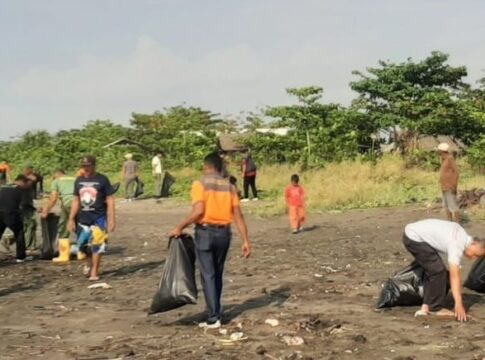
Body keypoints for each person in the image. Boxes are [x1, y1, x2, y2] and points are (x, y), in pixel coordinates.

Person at [170, 152, 251, 329]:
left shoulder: (200, 184)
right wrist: (246, 241)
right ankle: (216, 310)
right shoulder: (229, 186)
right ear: (220, 167)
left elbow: (199, 211)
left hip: (206, 233)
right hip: (224, 234)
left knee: (208, 274)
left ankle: (213, 317)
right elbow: (238, 215)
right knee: (217, 273)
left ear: (205, 167)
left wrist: (180, 226)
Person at [403, 219, 485, 322]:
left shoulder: (462, 235)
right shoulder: (457, 244)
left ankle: (426, 307)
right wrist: (458, 304)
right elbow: (455, 275)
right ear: (473, 243)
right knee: (438, 271)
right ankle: (435, 308)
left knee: (436, 271)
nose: (473, 258)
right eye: (475, 255)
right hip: (413, 237)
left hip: (415, 233)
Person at [68, 155, 116, 281]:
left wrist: (112, 218)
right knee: (81, 245)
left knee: (98, 245)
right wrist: (71, 219)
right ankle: (89, 263)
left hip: (99, 218)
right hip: (83, 219)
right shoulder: (78, 180)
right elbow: (76, 200)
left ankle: (94, 271)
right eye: (83, 166)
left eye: (88, 166)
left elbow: (110, 199)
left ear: (94, 165)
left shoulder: (102, 179)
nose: (86, 168)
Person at [0, 175, 29, 262]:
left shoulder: (5, 187)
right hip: (11, 213)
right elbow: (24, 205)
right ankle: (21, 257)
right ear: (22, 182)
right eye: (26, 184)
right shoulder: (20, 190)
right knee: (19, 232)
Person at [40, 169, 75, 239]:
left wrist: (45, 211)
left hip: (69, 203)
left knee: (64, 228)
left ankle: (63, 245)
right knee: (82, 226)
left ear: (55, 175)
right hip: (81, 203)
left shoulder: (56, 181)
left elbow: (53, 199)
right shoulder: (75, 179)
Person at [438, 143, 460, 223]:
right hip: (444, 187)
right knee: (447, 207)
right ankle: (450, 224)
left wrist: (454, 185)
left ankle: (457, 225)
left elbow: (456, 172)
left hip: (450, 187)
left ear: (442, 151)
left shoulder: (450, 158)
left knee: (453, 207)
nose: (438, 152)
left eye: (438, 150)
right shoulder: (444, 160)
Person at [22, 166, 38, 250]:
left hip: (26, 205)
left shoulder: (27, 182)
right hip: (26, 206)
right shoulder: (26, 183)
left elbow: (35, 178)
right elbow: (34, 178)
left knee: (29, 226)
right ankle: (29, 245)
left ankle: (31, 245)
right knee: (30, 225)